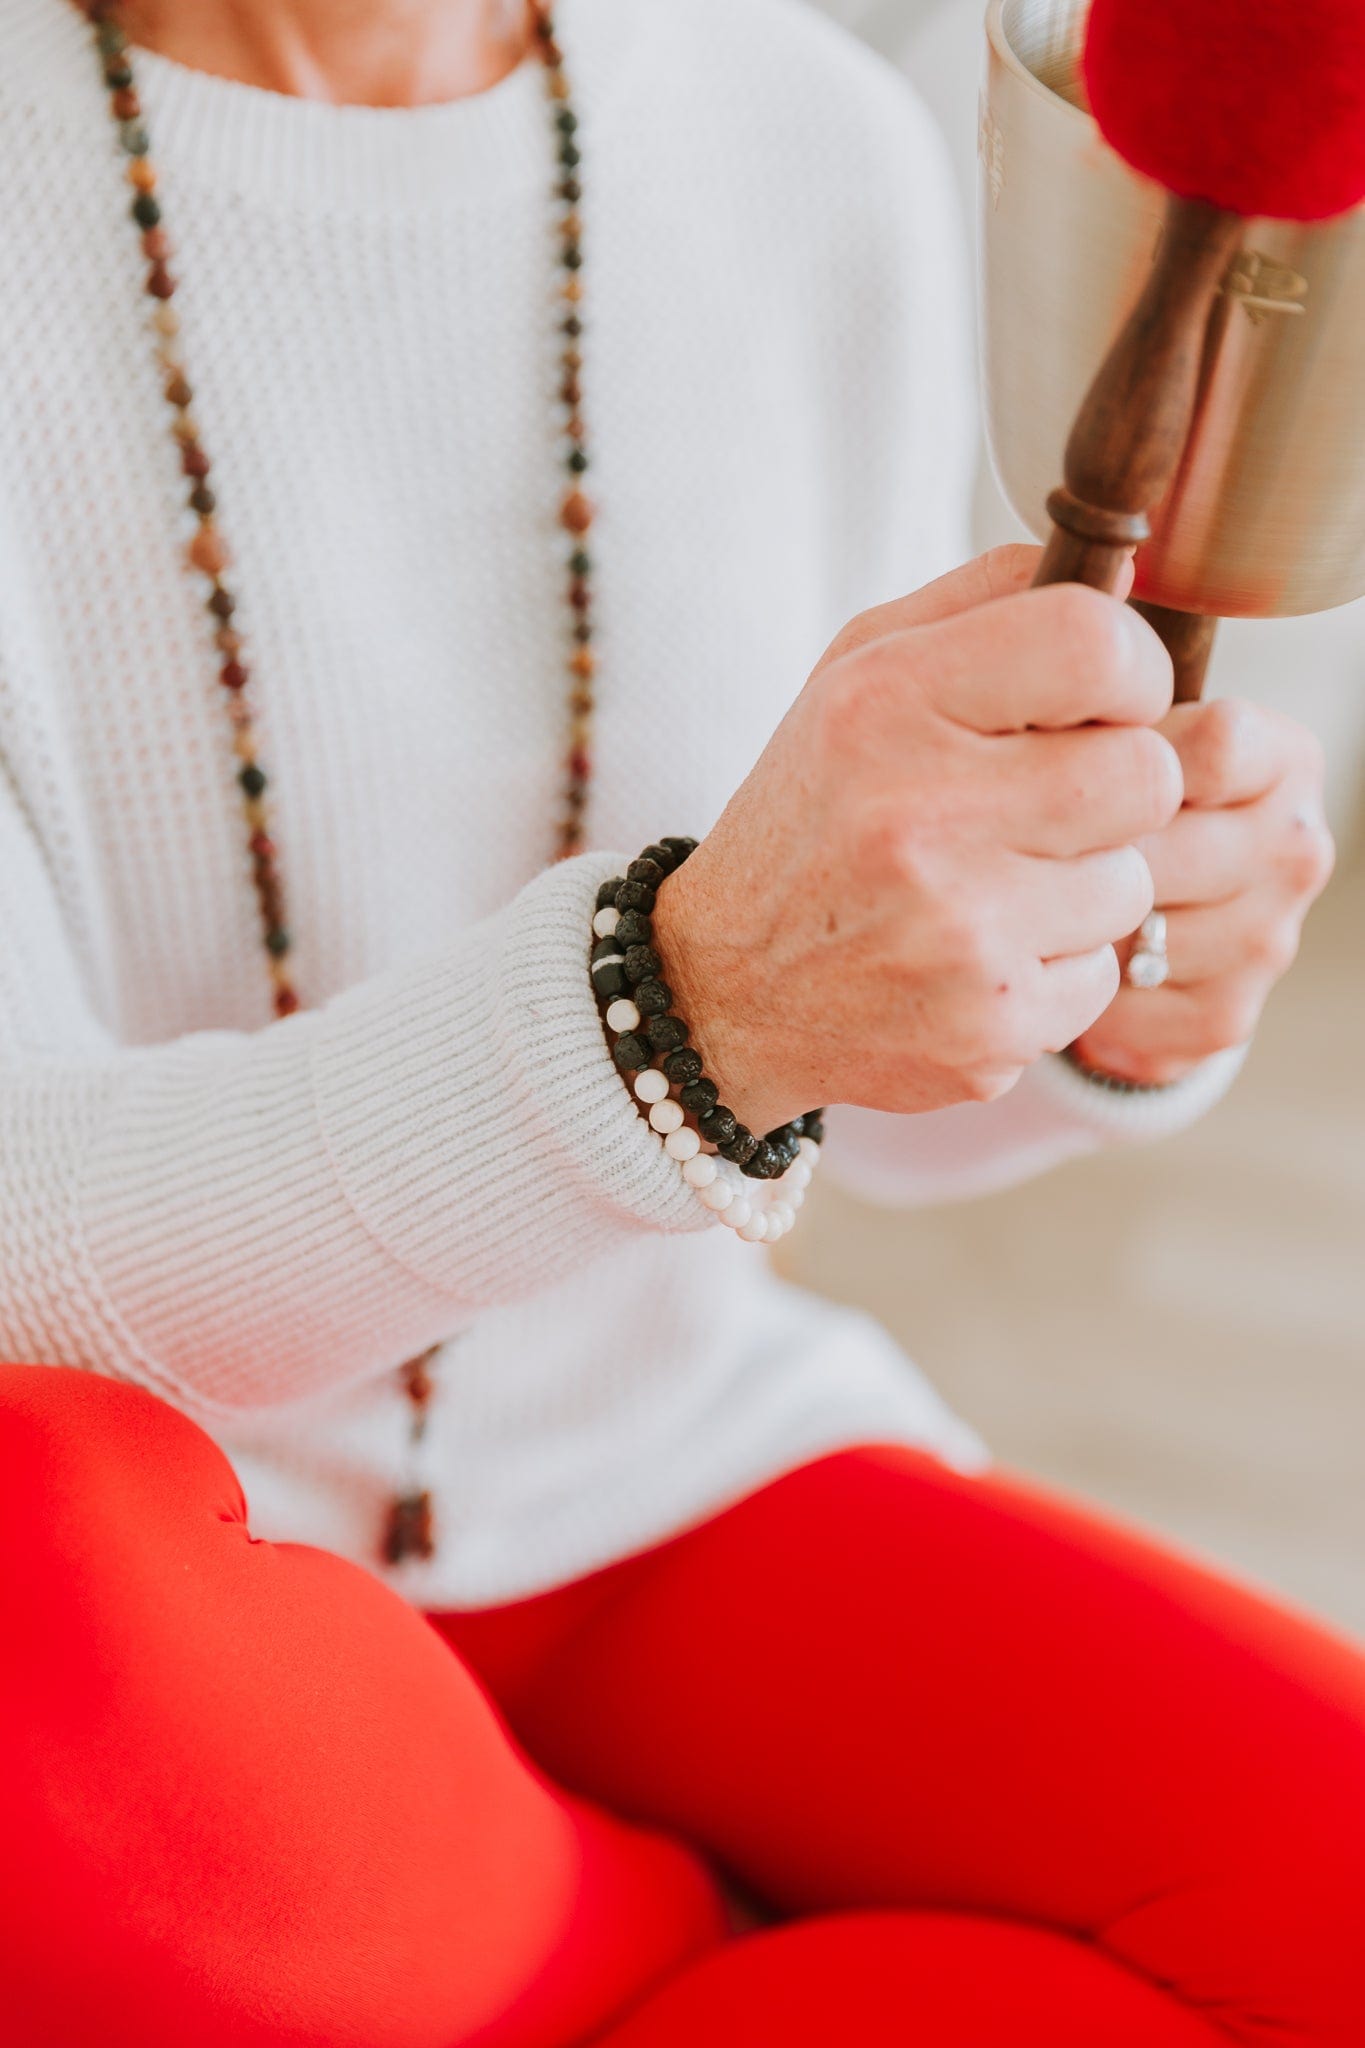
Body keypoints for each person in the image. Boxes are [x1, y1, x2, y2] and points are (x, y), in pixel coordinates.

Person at [0, 0, 1359, 2042]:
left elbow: (863, 1081)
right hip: (147, 1594)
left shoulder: (804, 143)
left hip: (660, 1481)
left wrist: (1102, 981)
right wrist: (691, 1001)